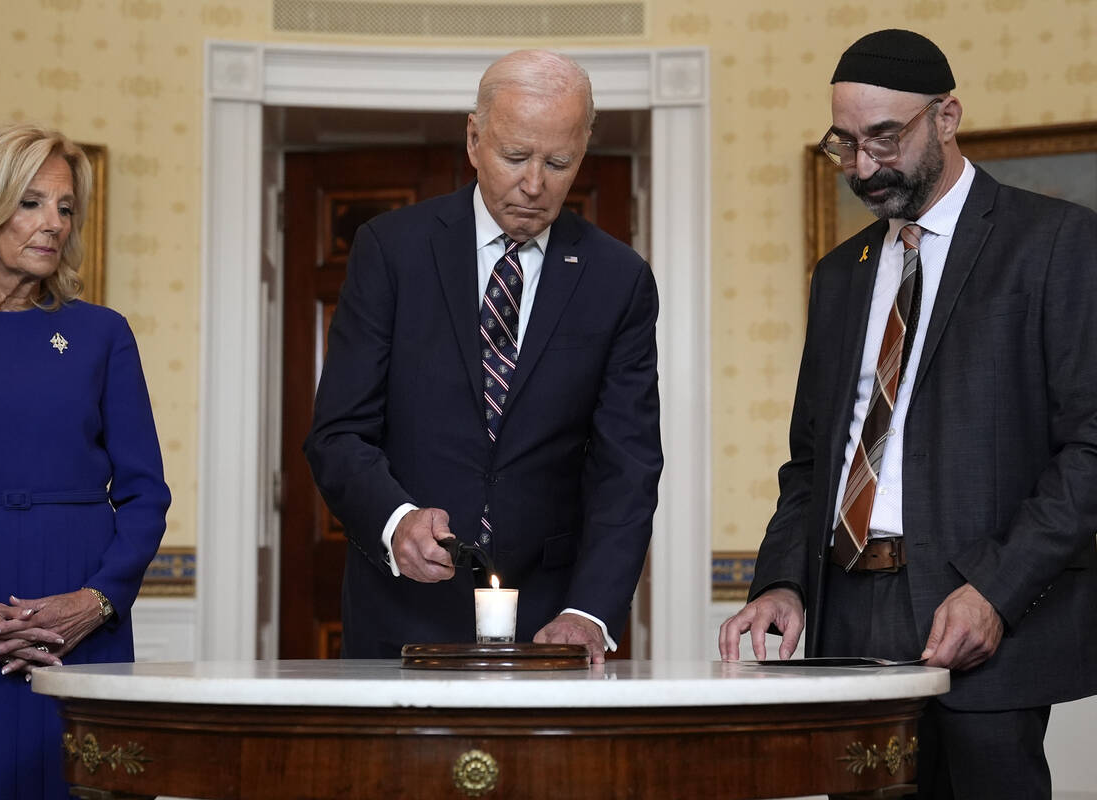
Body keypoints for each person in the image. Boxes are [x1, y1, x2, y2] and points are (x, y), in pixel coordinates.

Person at [718, 29, 1097, 799]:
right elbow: (811, 462)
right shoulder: (840, 274)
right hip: (847, 619)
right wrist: (780, 583)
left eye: (884, 140)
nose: (863, 167)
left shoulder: (1056, 242)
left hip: (983, 618)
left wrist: (997, 589)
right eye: (846, 144)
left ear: (946, 117)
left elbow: (1090, 448)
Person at [304, 50, 663, 663]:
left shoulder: (618, 279)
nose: (534, 184)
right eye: (516, 157)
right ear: (474, 140)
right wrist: (396, 521)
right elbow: (338, 433)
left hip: (551, 620)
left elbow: (625, 467)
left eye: (558, 163)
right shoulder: (390, 251)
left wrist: (590, 611)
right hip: (402, 610)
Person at [0, 123, 170, 799]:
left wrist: (96, 601)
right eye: (31, 203)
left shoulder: (101, 333)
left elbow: (144, 494)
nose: (54, 223)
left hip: (78, 622)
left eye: (65, 206)